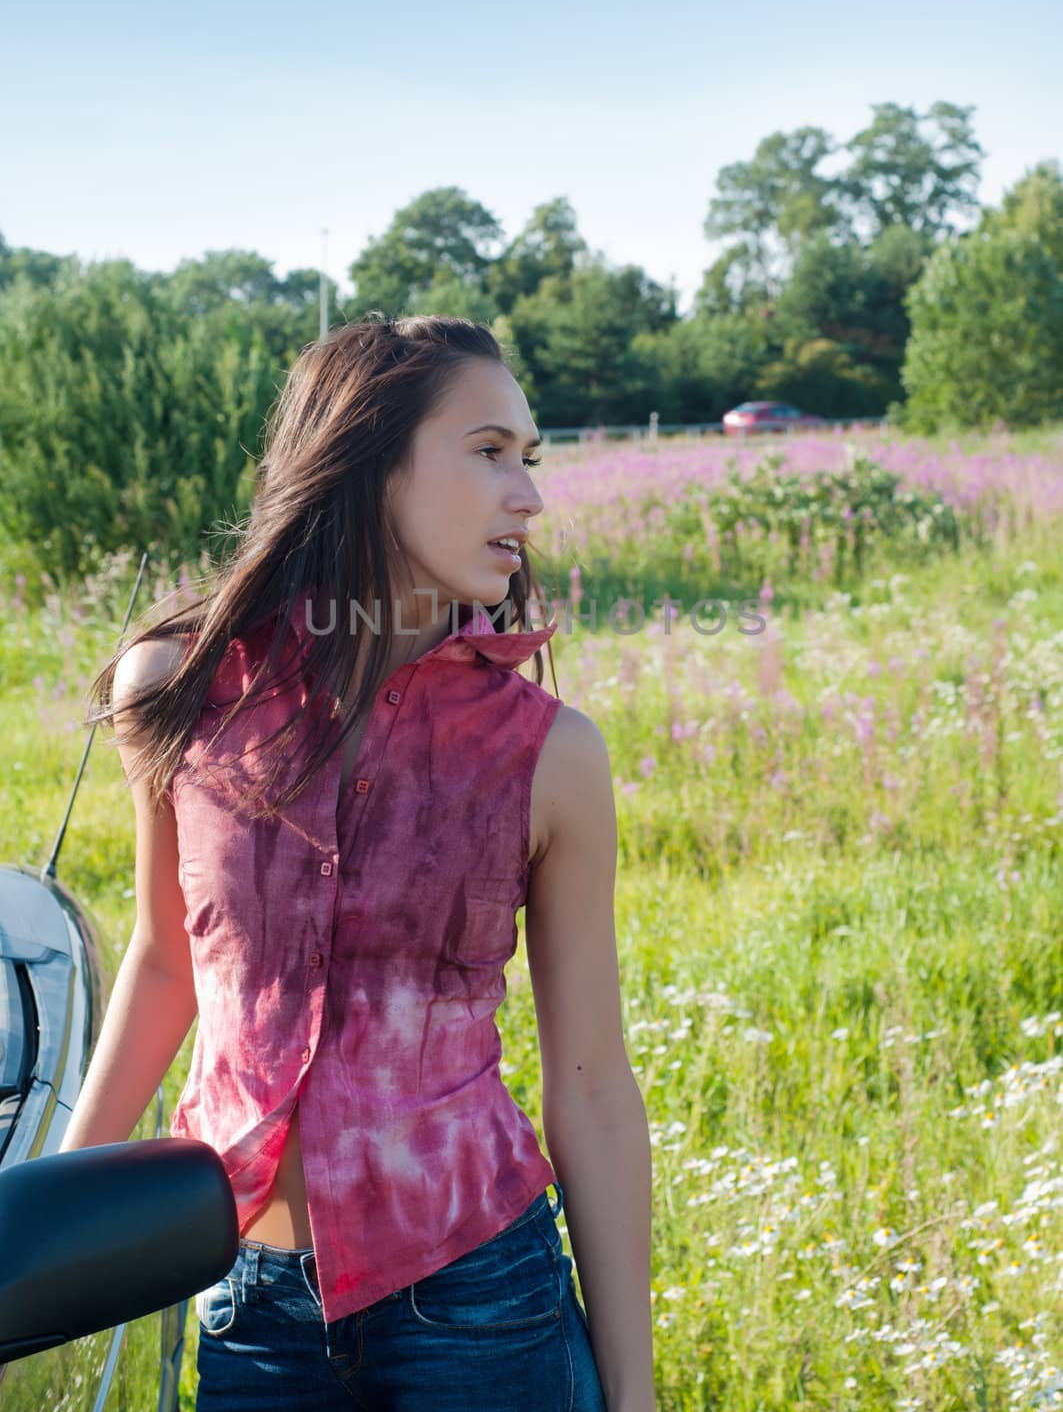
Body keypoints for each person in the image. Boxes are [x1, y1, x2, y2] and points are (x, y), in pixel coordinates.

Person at [60, 314, 655, 1411]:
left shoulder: (548, 754)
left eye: (529, 458)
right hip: (246, 1303)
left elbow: (592, 1084)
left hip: (484, 1299)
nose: (527, 496)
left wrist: (634, 1392)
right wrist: (33, 1235)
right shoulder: (180, 689)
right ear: (367, 457)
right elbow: (164, 963)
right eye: (488, 452)